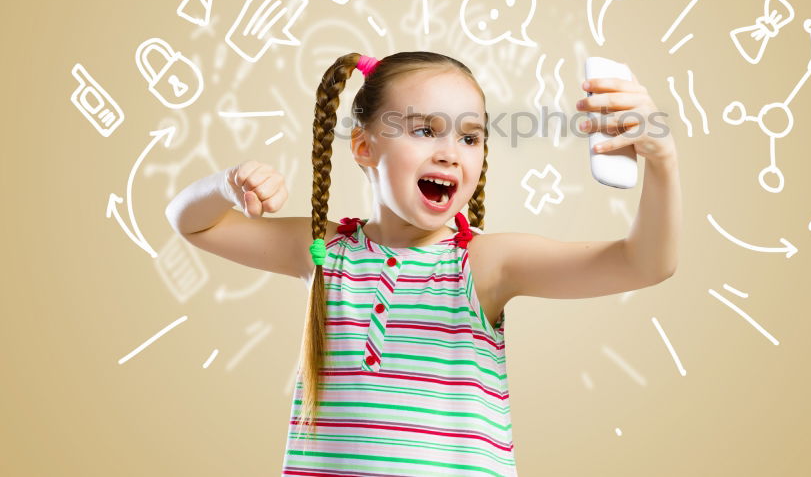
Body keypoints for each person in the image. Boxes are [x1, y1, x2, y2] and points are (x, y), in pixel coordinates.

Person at [165, 50, 682, 476]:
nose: (451, 153)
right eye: (424, 130)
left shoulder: (483, 263)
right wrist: (225, 184)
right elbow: (192, 222)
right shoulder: (326, 253)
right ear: (364, 147)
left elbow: (644, 263)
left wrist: (662, 162)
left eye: (470, 137)